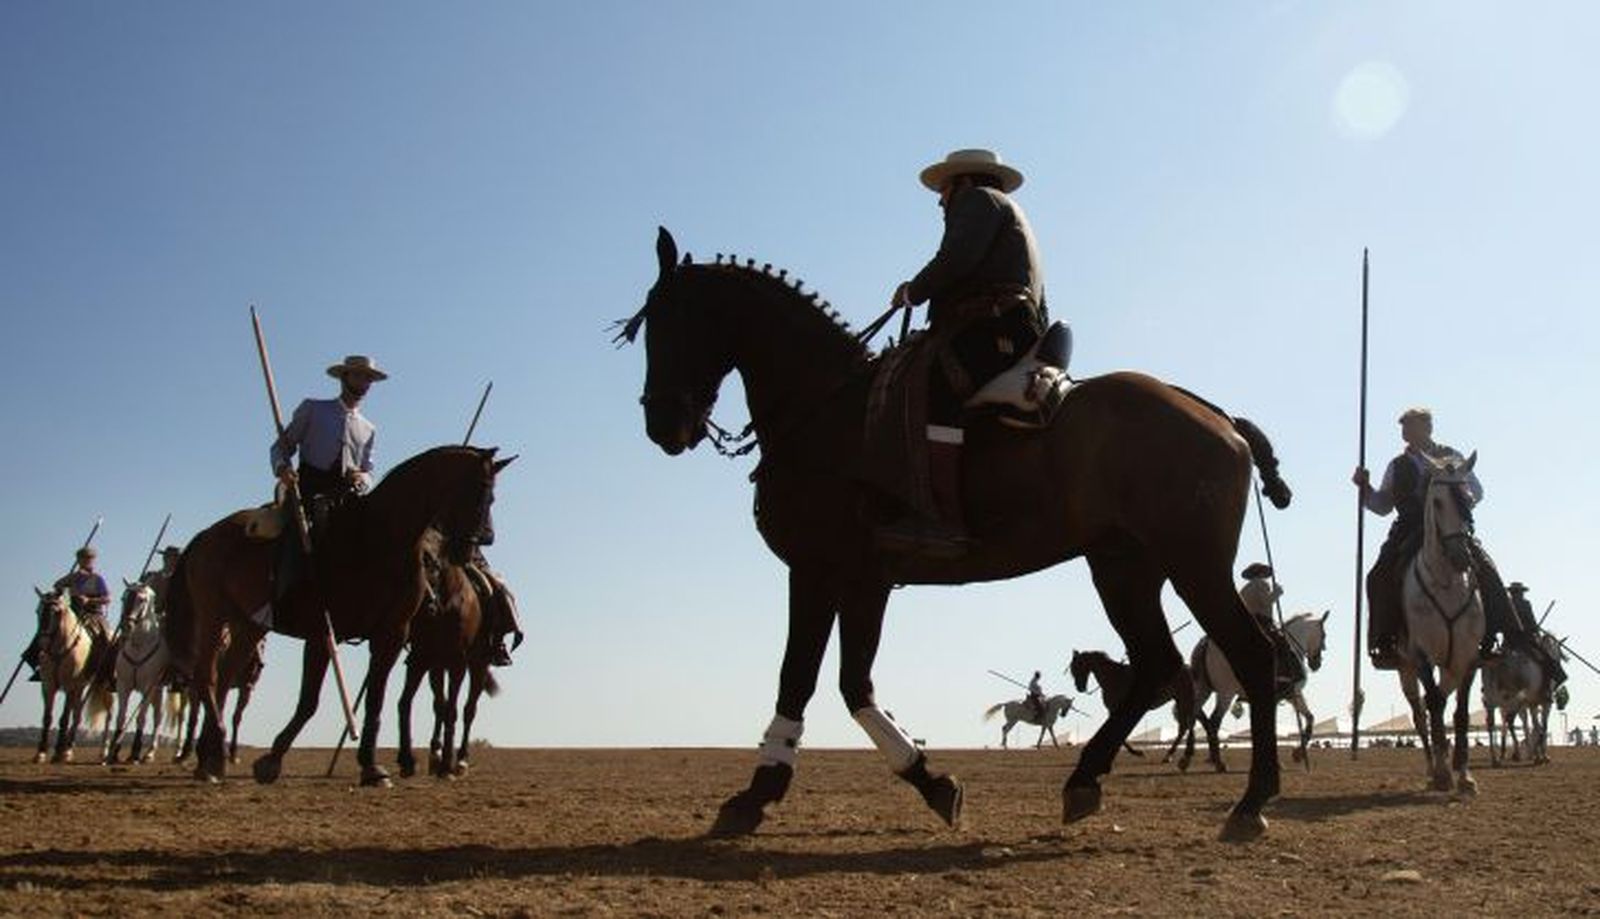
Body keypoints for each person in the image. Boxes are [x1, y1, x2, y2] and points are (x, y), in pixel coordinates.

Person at [877, 148, 1046, 558]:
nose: (940, 200)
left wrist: (912, 291)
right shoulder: (1010, 211)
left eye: (944, 189)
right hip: (1015, 327)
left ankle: (942, 520)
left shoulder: (978, 201)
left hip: (992, 326)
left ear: (964, 182)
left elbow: (956, 258)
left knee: (931, 390)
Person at [1353, 407, 1510, 669]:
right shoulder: (1398, 465)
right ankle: (1386, 640)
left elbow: (1476, 491)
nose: (1405, 432)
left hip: (1449, 527)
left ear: (1427, 427)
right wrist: (1365, 488)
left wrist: (1454, 505)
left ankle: (1494, 636)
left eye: (1410, 425)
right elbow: (1382, 505)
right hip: (1409, 527)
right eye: (1403, 427)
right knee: (1378, 575)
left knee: (1486, 569)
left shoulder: (1452, 457)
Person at [25, 546, 113, 682]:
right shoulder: (74, 577)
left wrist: (90, 600)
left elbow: (107, 598)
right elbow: (57, 585)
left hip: (93, 614)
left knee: (107, 639)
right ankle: (40, 665)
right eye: (82, 559)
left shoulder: (97, 579)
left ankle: (108, 674)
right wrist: (68, 581)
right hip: (73, 612)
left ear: (93, 560)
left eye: (88, 559)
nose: (84, 562)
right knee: (46, 629)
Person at [1239, 563, 1305, 693]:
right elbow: (1265, 602)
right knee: (1283, 645)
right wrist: (1277, 592)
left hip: (1246, 623)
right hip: (1262, 623)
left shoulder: (1244, 589)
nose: (1267, 577)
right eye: (1265, 573)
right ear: (1261, 573)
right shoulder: (1262, 584)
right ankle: (1285, 675)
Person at [1507, 582, 1567, 688]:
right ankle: (1548, 688)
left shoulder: (1507, 604)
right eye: (1520, 593)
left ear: (1512, 593)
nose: (1519, 595)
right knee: (1547, 660)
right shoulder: (1525, 604)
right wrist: (1535, 628)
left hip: (1508, 640)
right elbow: (1532, 622)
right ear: (1521, 593)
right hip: (1525, 640)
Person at [140, 545, 182, 615]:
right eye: (169, 557)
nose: (173, 561)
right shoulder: (151, 576)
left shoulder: (180, 580)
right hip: (148, 615)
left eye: (176, 558)